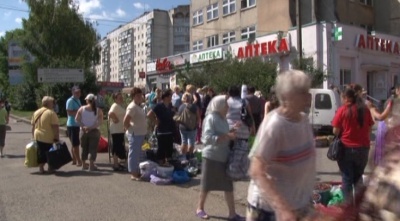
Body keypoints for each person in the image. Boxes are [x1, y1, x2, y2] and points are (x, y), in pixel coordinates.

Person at [247, 70, 315, 221]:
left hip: (299, 205)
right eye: (302, 92)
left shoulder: (304, 120)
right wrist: (282, 208)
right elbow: (256, 171)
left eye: (307, 91)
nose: (308, 96)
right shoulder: (274, 125)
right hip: (270, 210)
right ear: (287, 96)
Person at [196, 95, 244, 221]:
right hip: (211, 156)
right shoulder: (211, 118)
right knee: (206, 185)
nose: (228, 107)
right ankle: (200, 208)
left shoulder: (222, 118)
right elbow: (206, 138)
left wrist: (233, 129)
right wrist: (228, 136)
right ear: (219, 105)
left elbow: (224, 133)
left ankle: (232, 214)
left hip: (223, 156)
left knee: (228, 186)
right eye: (226, 105)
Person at [332, 88, 374, 200]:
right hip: (364, 149)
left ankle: (348, 209)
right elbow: (370, 128)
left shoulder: (343, 110)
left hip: (346, 149)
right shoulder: (365, 110)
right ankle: (358, 209)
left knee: (347, 179)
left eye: (342, 98)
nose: (341, 100)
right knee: (358, 179)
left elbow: (335, 131)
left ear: (346, 98)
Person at [31, 96, 60, 174]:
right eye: (52, 102)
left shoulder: (36, 112)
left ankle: (41, 168)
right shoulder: (51, 113)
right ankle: (50, 167)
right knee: (50, 152)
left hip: (37, 135)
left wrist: (33, 135)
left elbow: (33, 126)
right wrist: (57, 137)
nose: (53, 104)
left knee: (41, 152)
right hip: (47, 135)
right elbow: (55, 126)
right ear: (48, 103)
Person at [123, 88, 147, 180]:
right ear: (133, 97)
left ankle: (136, 171)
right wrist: (129, 128)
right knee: (133, 154)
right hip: (135, 133)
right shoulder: (132, 106)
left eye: (141, 95)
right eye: (137, 95)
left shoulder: (138, 106)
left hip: (140, 133)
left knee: (138, 153)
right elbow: (126, 120)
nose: (140, 97)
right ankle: (133, 173)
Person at [75, 94, 103, 171]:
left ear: (87, 100)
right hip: (94, 131)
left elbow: (77, 119)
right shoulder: (98, 110)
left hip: (83, 131)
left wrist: (83, 126)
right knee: (93, 148)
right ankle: (91, 165)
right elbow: (100, 122)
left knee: (84, 147)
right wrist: (90, 128)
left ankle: (84, 164)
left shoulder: (81, 109)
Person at [147, 89, 175, 166]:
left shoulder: (170, 105)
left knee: (169, 149)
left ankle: (167, 164)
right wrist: (155, 121)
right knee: (161, 149)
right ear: (165, 97)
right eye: (170, 96)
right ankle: (160, 165)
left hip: (170, 130)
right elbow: (149, 114)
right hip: (161, 131)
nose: (171, 98)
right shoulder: (159, 105)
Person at [177, 92, 200, 160]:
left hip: (182, 127)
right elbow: (198, 117)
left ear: (183, 99)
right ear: (190, 98)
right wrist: (197, 124)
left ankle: (183, 157)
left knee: (184, 141)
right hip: (192, 127)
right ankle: (190, 157)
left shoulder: (180, 107)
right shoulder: (194, 107)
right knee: (191, 142)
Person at [108, 92, 126, 171]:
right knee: (116, 146)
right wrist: (116, 119)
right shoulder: (115, 105)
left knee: (119, 146)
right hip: (116, 130)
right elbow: (110, 113)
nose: (121, 99)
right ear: (115, 99)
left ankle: (117, 163)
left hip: (120, 129)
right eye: (119, 98)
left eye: (121, 97)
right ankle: (115, 164)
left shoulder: (119, 106)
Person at [66, 86, 82, 166]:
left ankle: (74, 159)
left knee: (74, 143)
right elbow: (69, 113)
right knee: (75, 144)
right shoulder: (70, 101)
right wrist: (79, 111)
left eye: (79, 92)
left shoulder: (78, 100)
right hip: (72, 125)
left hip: (76, 125)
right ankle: (79, 161)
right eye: (76, 92)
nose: (78, 94)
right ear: (72, 92)